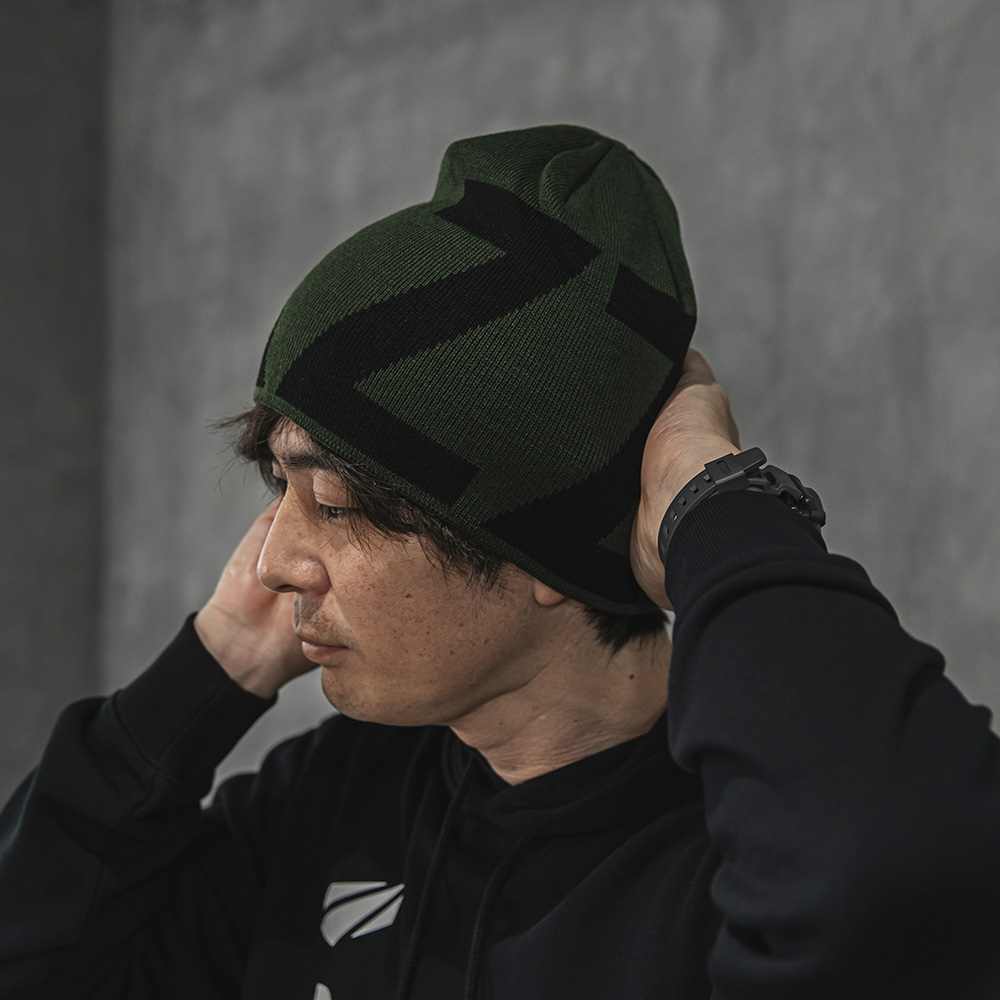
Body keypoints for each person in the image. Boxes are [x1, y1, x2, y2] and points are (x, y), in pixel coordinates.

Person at [1, 124, 998, 1000]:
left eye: (334, 503)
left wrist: (720, 511)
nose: (273, 561)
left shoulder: (741, 856)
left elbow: (889, 873)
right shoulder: (334, 804)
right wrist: (209, 667)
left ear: (543, 554)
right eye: (279, 489)